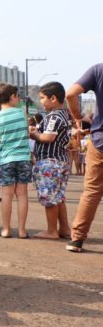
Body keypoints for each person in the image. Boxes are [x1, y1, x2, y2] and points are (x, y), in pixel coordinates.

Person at [66, 63, 103, 252]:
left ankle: (77, 239)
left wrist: (78, 117)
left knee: (92, 192)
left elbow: (71, 94)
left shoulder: (98, 70)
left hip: (99, 141)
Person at [29, 81, 72, 240]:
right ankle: (65, 229)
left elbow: (48, 137)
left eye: (42, 98)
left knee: (50, 198)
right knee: (59, 197)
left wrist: (34, 134)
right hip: (61, 161)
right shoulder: (64, 115)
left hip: (50, 162)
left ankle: (52, 230)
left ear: (53, 98)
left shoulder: (53, 116)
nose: (40, 101)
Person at [0, 82, 31, 239]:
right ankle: (22, 231)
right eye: (17, 96)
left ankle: (6, 229)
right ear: (12, 97)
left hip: (6, 158)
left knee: (6, 195)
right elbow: (27, 134)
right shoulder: (22, 113)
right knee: (22, 194)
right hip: (23, 158)